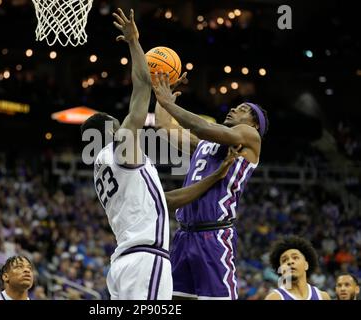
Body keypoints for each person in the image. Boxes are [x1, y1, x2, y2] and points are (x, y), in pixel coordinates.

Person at [81, 8, 242, 300]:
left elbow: (166, 201)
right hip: (144, 260)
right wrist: (133, 41)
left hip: (123, 265)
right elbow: (141, 86)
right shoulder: (121, 147)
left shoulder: (104, 168)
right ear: (113, 128)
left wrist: (215, 177)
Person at [153, 72, 269, 299]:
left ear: (255, 123)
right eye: (236, 107)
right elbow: (163, 125)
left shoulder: (250, 136)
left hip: (213, 236)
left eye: (243, 109)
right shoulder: (204, 146)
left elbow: (203, 127)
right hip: (184, 235)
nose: (234, 109)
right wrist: (161, 93)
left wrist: (168, 103)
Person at [265, 236, 330, 300]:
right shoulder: (274, 298)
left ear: (306, 265)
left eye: (295, 257)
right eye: (284, 260)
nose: (290, 262)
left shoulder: (323, 297)